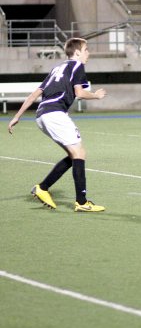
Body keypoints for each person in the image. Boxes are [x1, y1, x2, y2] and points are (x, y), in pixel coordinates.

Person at [8, 37, 107, 212]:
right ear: (77, 52)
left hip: (41, 115)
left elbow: (35, 94)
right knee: (79, 153)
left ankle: (43, 188)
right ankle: (81, 202)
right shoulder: (77, 66)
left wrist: (17, 116)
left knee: (74, 155)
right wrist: (96, 96)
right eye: (86, 50)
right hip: (55, 114)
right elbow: (80, 93)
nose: (88, 53)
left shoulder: (57, 68)